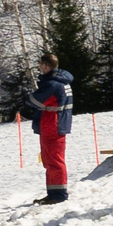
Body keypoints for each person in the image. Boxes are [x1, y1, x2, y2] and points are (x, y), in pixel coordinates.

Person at [25, 54, 73, 206]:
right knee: (50, 160)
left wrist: (26, 97)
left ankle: (58, 194)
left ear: (46, 65)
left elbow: (34, 100)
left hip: (53, 125)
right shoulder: (61, 81)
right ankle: (53, 192)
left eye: (41, 64)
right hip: (54, 125)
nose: (40, 67)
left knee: (54, 160)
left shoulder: (53, 84)